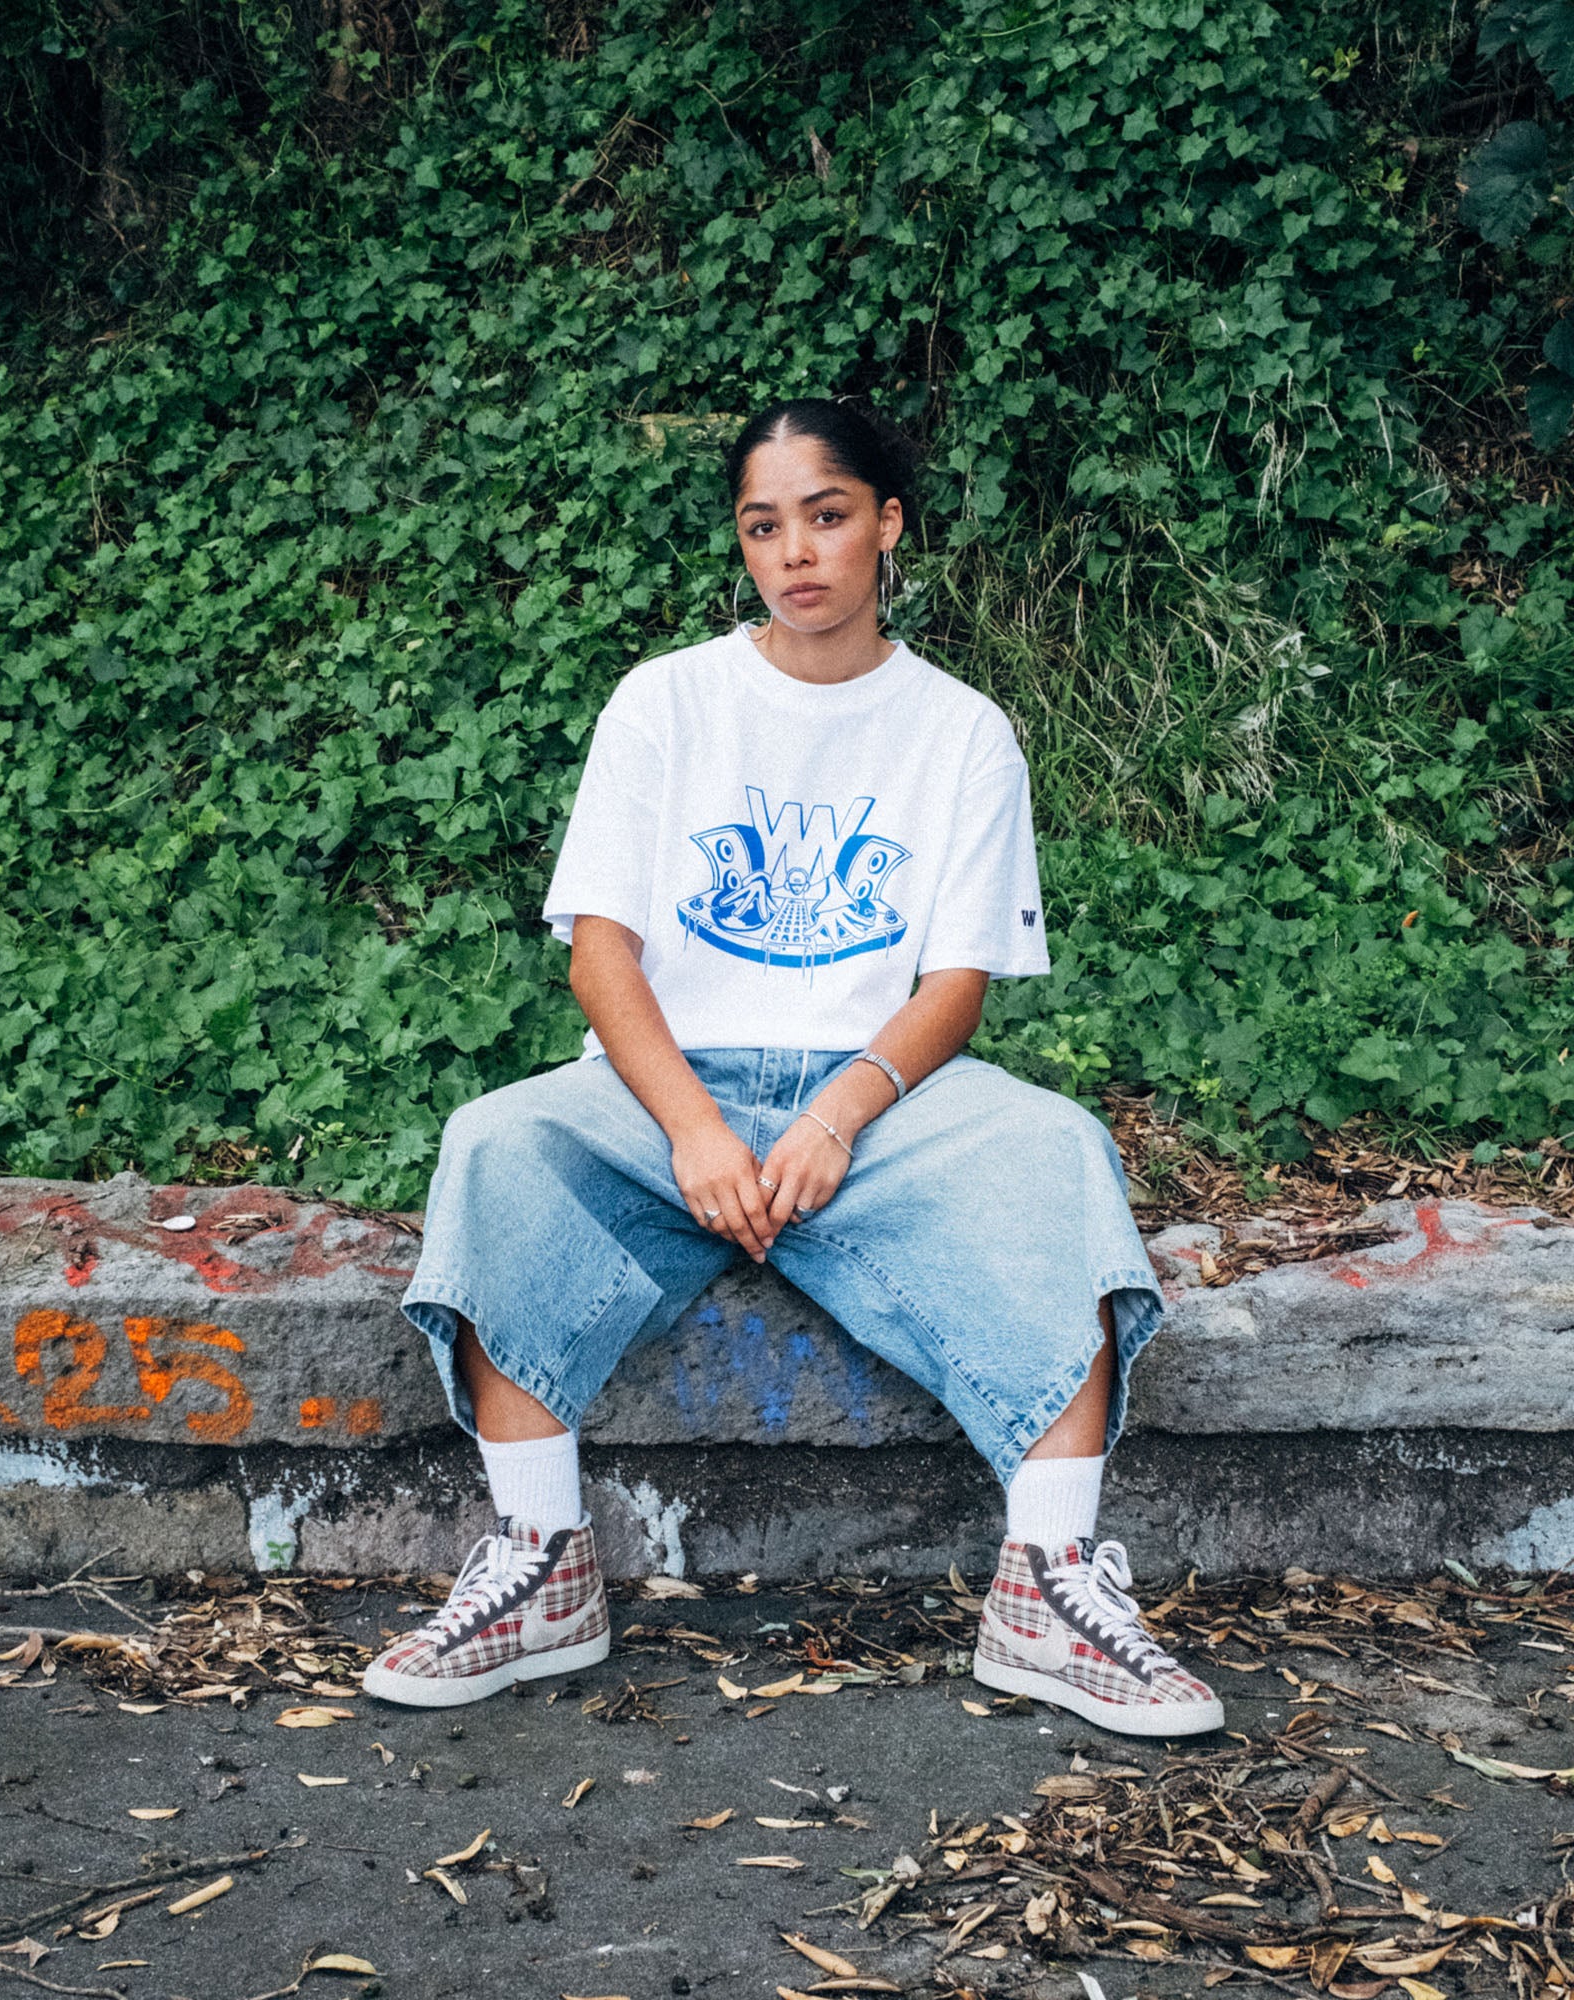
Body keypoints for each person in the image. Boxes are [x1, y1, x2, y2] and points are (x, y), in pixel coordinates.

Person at [363, 399, 1224, 1737]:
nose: (796, 553)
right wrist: (696, 1129)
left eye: (827, 517)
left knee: (1059, 1149)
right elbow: (602, 958)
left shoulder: (962, 731)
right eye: (764, 527)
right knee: (499, 1142)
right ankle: (541, 1566)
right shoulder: (667, 702)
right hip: (669, 1084)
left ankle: (1049, 1586)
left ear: (888, 524)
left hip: (878, 1096)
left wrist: (836, 1114)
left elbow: (954, 987)